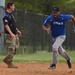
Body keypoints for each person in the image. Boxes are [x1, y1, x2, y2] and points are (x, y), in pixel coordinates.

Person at [3, 2, 21, 68]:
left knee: (16, 48)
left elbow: (13, 25)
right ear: (10, 6)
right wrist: (11, 33)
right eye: (13, 6)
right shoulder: (6, 16)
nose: (14, 7)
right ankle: (9, 62)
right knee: (11, 48)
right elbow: (6, 25)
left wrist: (17, 30)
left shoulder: (11, 15)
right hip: (10, 35)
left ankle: (7, 59)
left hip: (14, 33)